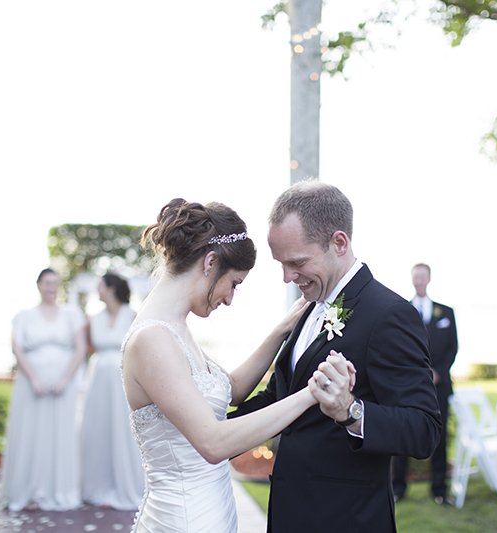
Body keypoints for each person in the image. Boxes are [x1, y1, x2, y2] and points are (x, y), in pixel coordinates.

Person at [122, 198, 346, 532]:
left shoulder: (174, 328)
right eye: (234, 284)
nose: (228, 298)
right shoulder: (152, 339)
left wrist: (283, 329)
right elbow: (213, 443)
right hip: (183, 520)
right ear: (210, 262)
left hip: (210, 510)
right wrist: (312, 394)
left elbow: (231, 390)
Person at [230, 180, 442, 532]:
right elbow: (280, 397)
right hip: (290, 511)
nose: (286, 277)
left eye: (296, 262)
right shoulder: (309, 306)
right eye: (280, 264)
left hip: (346, 518)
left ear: (339, 243)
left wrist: (351, 411)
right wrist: (210, 423)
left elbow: (424, 430)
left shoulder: (388, 314)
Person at [0, 268, 87, 511]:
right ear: (39, 285)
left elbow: (80, 349)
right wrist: (34, 379)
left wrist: (65, 380)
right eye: (47, 283)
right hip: (31, 384)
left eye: (55, 283)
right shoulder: (24, 316)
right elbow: (17, 348)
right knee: (31, 433)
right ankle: (29, 491)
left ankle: (58, 490)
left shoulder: (72, 315)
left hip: (63, 385)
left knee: (59, 434)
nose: (51, 288)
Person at [391, 262, 458, 504]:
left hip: (438, 386)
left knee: (439, 438)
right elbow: (396, 348)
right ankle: (398, 487)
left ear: (428, 279)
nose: (419, 280)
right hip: (408, 387)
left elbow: (453, 348)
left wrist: (438, 372)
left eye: (423, 276)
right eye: (416, 277)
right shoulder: (400, 310)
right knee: (402, 434)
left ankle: (439, 490)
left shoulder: (445, 312)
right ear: (412, 279)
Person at [81, 272, 144, 509]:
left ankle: (125, 486)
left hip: (122, 377)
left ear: (111, 289)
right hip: (97, 378)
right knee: (97, 430)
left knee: (123, 428)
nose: (97, 290)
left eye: (100, 286)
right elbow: (87, 349)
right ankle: (96, 486)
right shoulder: (93, 319)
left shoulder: (133, 315)